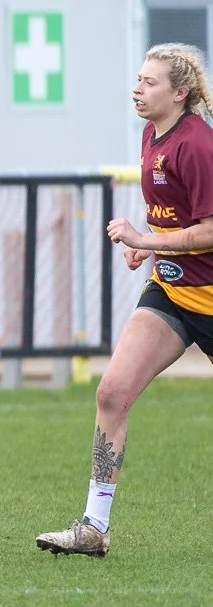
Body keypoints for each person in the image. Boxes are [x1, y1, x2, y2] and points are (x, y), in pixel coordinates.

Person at [37, 43, 213, 557]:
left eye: (149, 82)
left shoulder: (198, 145)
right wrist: (151, 249)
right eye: (137, 79)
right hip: (174, 294)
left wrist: (147, 239)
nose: (137, 89)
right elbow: (175, 216)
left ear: (180, 93)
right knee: (112, 392)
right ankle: (94, 527)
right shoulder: (150, 135)